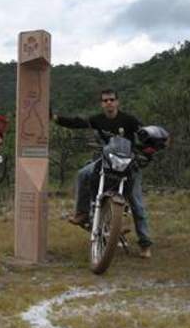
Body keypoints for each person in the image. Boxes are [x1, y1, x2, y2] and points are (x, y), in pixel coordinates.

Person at [51, 88, 152, 259]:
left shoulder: (129, 120)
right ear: (102, 104)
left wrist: (148, 149)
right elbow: (78, 122)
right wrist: (55, 118)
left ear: (117, 102)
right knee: (83, 174)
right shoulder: (98, 119)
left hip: (128, 163)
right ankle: (82, 213)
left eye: (112, 99)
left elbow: (145, 134)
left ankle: (145, 244)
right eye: (105, 100)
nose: (109, 103)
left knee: (137, 205)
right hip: (106, 160)